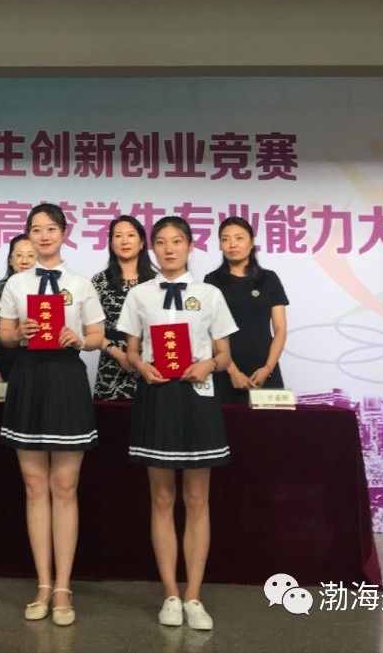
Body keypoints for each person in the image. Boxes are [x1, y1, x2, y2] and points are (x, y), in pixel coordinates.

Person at [120, 217, 237, 631]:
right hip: (157, 395)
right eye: (161, 242)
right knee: (162, 498)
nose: (169, 249)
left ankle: (194, 596)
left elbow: (224, 353)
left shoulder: (209, 294)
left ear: (190, 246)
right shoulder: (140, 294)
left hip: (198, 396)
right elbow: (131, 350)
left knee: (197, 498)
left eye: (177, 241)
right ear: (152, 248)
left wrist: (210, 364)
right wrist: (141, 367)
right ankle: (170, 593)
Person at [0, 204, 105, 626]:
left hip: (66, 379)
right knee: (34, 486)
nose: (44, 236)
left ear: (64, 233)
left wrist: (79, 339)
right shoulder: (16, 283)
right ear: (28, 235)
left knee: (65, 486)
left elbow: (97, 335)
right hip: (28, 377)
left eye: (51, 229)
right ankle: (42, 583)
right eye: (36, 230)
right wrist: (17, 333)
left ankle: (63, 586)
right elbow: (5, 335)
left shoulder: (80, 283)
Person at [204, 216, 289, 403]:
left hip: (265, 368)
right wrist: (233, 371)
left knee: (274, 421)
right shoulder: (212, 281)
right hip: (226, 369)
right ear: (220, 245)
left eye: (239, 238)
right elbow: (210, 331)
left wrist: (268, 368)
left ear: (252, 243)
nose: (232, 244)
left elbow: (280, 330)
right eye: (225, 239)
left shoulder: (269, 279)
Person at [91, 215, 156, 401]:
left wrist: (140, 357)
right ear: (111, 243)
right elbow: (89, 327)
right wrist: (118, 354)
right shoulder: (99, 281)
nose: (124, 241)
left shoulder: (156, 282)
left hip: (149, 362)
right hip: (111, 361)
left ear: (142, 242)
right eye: (118, 236)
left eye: (131, 235)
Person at [0, 234, 36, 400]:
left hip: (39, 364)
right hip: (4, 362)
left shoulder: (50, 291)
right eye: (19, 255)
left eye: (31, 255)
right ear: (11, 260)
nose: (24, 261)